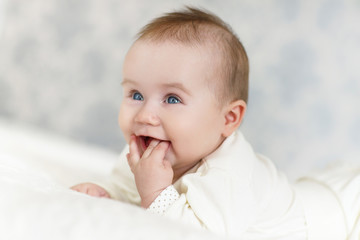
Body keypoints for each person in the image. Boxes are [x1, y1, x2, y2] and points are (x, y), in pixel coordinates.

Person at [71, 7, 359, 239]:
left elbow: (192, 233)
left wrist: (156, 193)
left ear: (228, 119)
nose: (145, 115)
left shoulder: (229, 172)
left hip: (338, 219)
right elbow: (130, 194)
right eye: (136, 94)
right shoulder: (145, 150)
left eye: (172, 99)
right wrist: (107, 196)